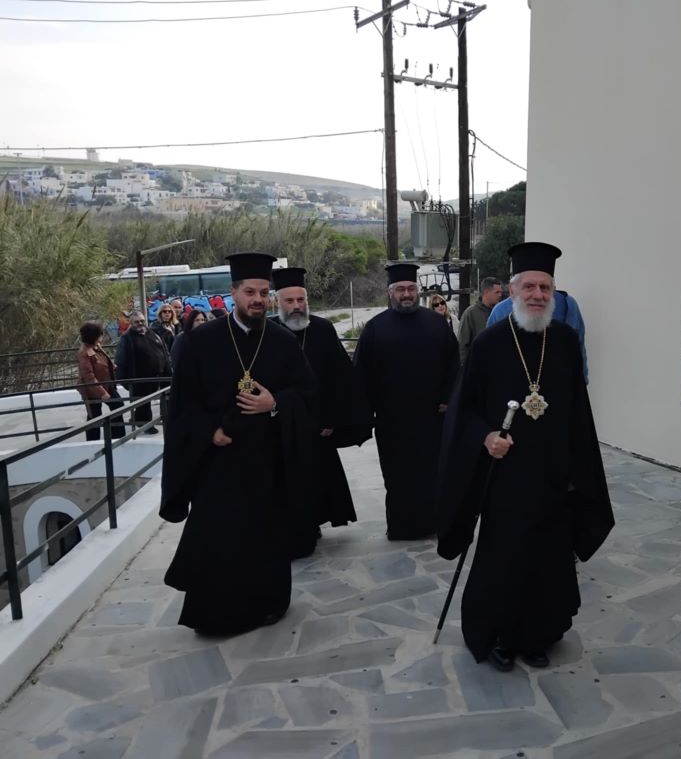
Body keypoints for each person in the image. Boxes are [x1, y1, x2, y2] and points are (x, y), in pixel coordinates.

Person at [437, 242, 614, 672]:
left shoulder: (565, 341)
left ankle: (539, 635)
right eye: (529, 286)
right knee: (506, 558)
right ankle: (499, 635)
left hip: (554, 476)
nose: (538, 295)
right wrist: (485, 437)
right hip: (506, 476)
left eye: (545, 288)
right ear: (512, 290)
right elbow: (464, 410)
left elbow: (579, 410)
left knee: (550, 559)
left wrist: (580, 470)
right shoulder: (490, 343)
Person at [160, 252, 317, 636]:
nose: (258, 300)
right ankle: (217, 616)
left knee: (266, 537)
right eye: (250, 292)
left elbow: (307, 392)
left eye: (264, 292)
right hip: (220, 463)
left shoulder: (283, 342)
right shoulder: (199, 342)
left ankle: (269, 605)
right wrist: (208, 431)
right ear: (233, 293)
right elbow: (182, 404)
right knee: (220, 539)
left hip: (268, 461)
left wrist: (274, 402)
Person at [353, 263, 459, 540]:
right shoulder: (375, 328)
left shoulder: (436, 323)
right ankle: (401, 527)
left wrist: (448, 398)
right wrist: (367, 413)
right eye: (400, 289)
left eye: (411, 288)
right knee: (397, 476)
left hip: (431, 417)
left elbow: (453, 364)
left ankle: (434, 524)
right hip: (392, 420)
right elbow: (361, 374)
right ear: (391, 293)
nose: (407, 294)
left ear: (418, 291)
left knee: (432, 472)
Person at [273, 266, 373, 558]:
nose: (296, 306)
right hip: (281, 424)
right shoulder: (267, 331)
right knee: (287, 482)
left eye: (300, 300)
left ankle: (312, 524)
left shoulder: (322, 329)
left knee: (316, 479)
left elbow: (341, 377)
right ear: (277, 302)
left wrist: (332, 418)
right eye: (289, 301)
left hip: (318, 423)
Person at [488, 286, 588, 383]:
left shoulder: (567, 304)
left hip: (558, 383)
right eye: (529, 286)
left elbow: (577, 351)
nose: (538, 295)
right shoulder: (500, 311)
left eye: (543, 286)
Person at [115, 310, 172, 434]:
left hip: (160, 375)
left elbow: (164, 350)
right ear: (131, 323)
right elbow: (120, 361)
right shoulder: (127, 338)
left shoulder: (153, 333)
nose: (140, 323)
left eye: (142, 321)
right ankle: (146, 425)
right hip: (140, 378)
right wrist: (125, 382)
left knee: (166, 400)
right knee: (143, 404)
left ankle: (166, 420)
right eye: (136, 322)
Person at [76, 322, 126, 441]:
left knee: (117, 405)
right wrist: (102, 393)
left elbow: (103, 360)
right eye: (100, 334)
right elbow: (88, 376)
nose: (102, 336)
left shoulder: (96, 346)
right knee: (94, 416)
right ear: (93, 336)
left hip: (106, 384)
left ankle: (117, 437)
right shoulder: (84, 353)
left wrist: (111, 366)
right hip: (93, 390)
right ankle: (92, 442)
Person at [457, 276, 502, 363]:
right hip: (478, 364)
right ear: (486, 293)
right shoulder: (470, 313)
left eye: (501, 292)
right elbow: (462, 345)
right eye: (497, 292)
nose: (500, 295)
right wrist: (464, 367)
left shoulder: (501, 312)